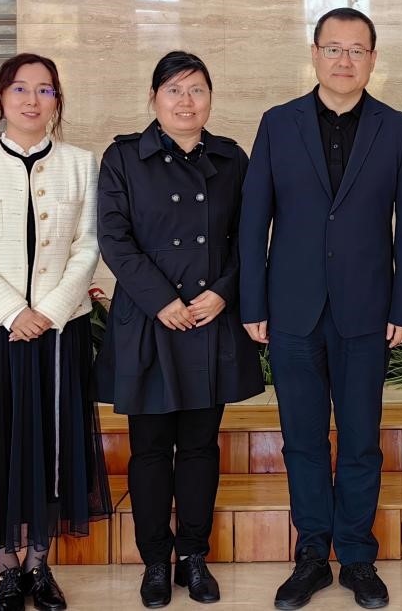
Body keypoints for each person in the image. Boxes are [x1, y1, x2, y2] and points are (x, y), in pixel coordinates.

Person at [238, 8, 402, 611]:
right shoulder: (278, 123)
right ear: (315, 53)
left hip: (367, 311)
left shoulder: (397, 129)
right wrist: (252, 301)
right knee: (302, 440)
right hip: (291, 309)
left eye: (357, 50)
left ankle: (358, 556)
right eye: (334, 48)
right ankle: (312, 556)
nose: (345, 60)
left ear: (373, 59)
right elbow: (253, 220)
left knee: (362, 440)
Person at [0, 53, 112, 611]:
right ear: (0, 98)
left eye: (45, 90)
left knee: (52, 446)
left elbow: (89, 244)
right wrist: (13, 311)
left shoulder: (81, 164)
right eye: (20, 89)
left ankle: (39, 565)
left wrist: (49, 311)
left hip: (58, 329)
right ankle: (6, 569)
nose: (33, 100)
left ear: (57, 100)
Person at [95, 51, 264, 608]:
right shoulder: (123, 157)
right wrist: (162, 300)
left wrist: (225, 291)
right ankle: (154, 561)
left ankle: (193, 555)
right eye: (174, 90)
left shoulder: (231, 157)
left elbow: (250, 237)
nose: (186, 101)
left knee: (198, 446)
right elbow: (114, 238)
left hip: (209, 318)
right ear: (153, 99)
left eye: (196, 90)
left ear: (210, 98)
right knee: (148, 449)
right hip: (150, 321)